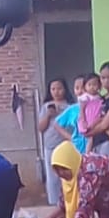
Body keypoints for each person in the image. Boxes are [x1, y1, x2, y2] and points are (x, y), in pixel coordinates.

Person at [37, 78, 72, 206]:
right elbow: (41, 128)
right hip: (50, 146)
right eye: (53, 89)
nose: (56, 92)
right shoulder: (46, 107)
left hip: (66, 145)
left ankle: (68, 203)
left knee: (67, 175)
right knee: (52, 177)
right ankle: (54, 203)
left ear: (65, 89)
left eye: (59, 88)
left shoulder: (70, 107)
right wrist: (48, 115)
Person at [54, 74, 90, 154]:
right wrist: (71, 138)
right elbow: (57, 124)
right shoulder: (73, 109)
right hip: (78, 148)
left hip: (93, 146)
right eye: (77, 88)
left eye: (83, 88)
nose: (80, 91)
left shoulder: (94, 107)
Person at [77, 73, 105, 138]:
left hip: (96, 119)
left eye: (94, 85)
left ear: (99, 86)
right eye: (89, 85)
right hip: (87, 119)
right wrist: (83, 121)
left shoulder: (100, 97)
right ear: (85, 86)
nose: (92, 87)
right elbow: (82, 110)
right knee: (89, 137)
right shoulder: (85, 97)